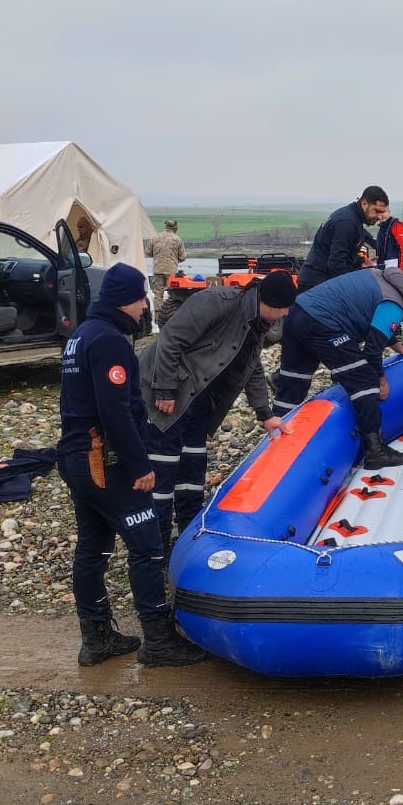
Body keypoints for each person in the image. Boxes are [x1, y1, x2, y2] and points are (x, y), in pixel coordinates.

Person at [55, 263, 207, 667]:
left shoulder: (81, 336)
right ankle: (158, 640)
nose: (145, 307)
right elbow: (115, 411)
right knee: (147, 546)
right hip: (101, 460)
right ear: (125, 299)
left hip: (75, 457)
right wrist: (139, 465)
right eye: (141, 298)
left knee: (94, 546)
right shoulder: (110, 341)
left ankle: (97, 636)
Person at [141, 270, 296, 552]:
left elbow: (252, 368)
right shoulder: (216, 302)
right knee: (162, 475)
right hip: (169, 395)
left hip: (200, 399)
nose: (284, 314)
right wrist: (164, 390)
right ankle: (156, 547)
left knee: (192, 472)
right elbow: (170, 339)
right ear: (266, 300)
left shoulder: (257, 324)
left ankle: (187, 540)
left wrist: (265, 413)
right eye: (282, 308)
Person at [271, 267, 403, 469]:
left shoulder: (382, 279)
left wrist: (398, 346)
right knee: (365, 380)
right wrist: (381, 381)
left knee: (294, 380)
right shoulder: (396, 303)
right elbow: (373, 350)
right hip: (322, 324)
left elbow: (376, 322)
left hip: (297, 313)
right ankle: (375, 451)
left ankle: (274, 442)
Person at [297, 186, 391, 291]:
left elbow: (361, 236)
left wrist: (362, 260)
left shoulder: (352, 217)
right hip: (317, 284)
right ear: (364, 204)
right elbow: (336, 265)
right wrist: (348, 292)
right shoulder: (347, 222)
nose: (379, 216)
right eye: (376, 211)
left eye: (381, 212)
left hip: (319, 280)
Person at [145, 219, 188, 327]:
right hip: (171, 270)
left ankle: (157, 319)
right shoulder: (177, 239)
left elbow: (148, 252)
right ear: (175, 228)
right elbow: (182, 257)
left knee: (158, 294)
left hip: (157, 269)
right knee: (172, 293)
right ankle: (170, 317)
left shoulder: (155, 237)